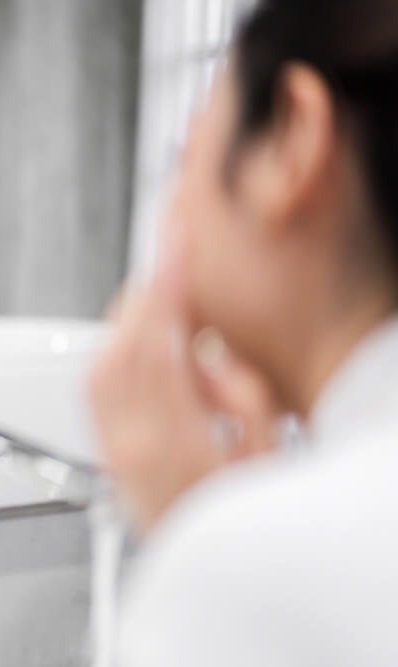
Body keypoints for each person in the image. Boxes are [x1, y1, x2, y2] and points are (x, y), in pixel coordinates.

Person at [90, 0, 398, 664]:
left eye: (186, 155)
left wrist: (196, 542)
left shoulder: (256, 573)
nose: (175, 209)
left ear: (293, 141)